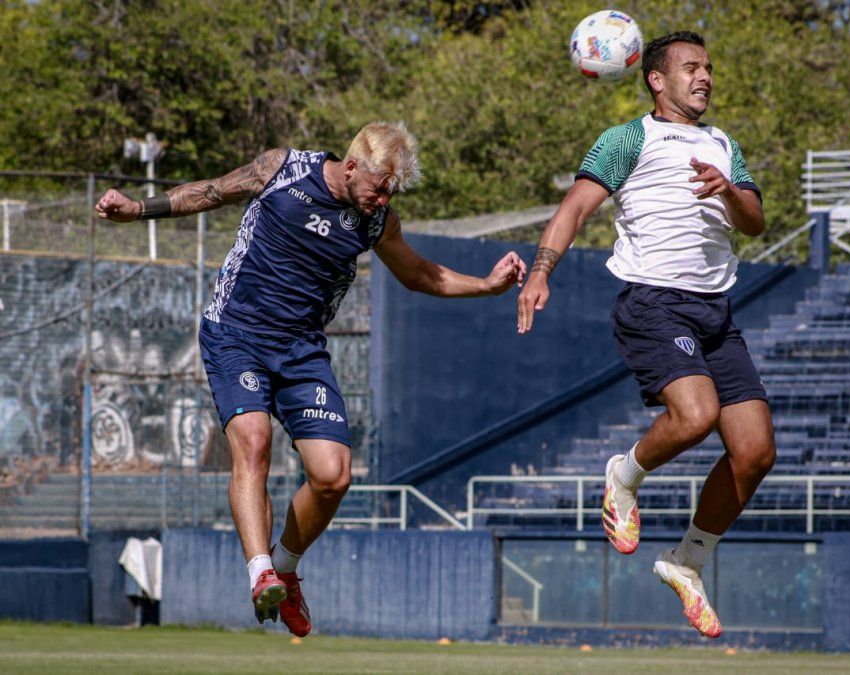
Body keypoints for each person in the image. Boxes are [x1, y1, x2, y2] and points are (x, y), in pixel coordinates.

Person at [96, 121, 526, 637]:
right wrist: (138, 208)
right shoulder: (283, 169)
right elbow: (209, 192)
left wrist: (486, 285)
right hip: (236, 333)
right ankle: (259, 575)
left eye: (392, 190)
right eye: (380, 184)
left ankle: (284, 567)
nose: (384, 196)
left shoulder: (376, 221)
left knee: (333, 475)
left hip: (301, 350)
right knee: (253, 443)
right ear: (351, 166)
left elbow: (418, 274)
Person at [516, 31, 774, 638]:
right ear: (657, 79)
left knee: (757, 451)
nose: (704, 76)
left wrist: (730, 191)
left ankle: (686, 563)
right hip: (654, 304)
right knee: (695, 416)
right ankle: (623, 476)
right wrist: (541, 272)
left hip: (716, 312)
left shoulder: (722, 144)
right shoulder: (628, 138)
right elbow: (575, 208)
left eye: (709, 67)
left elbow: (757, 222)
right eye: (691, 67)